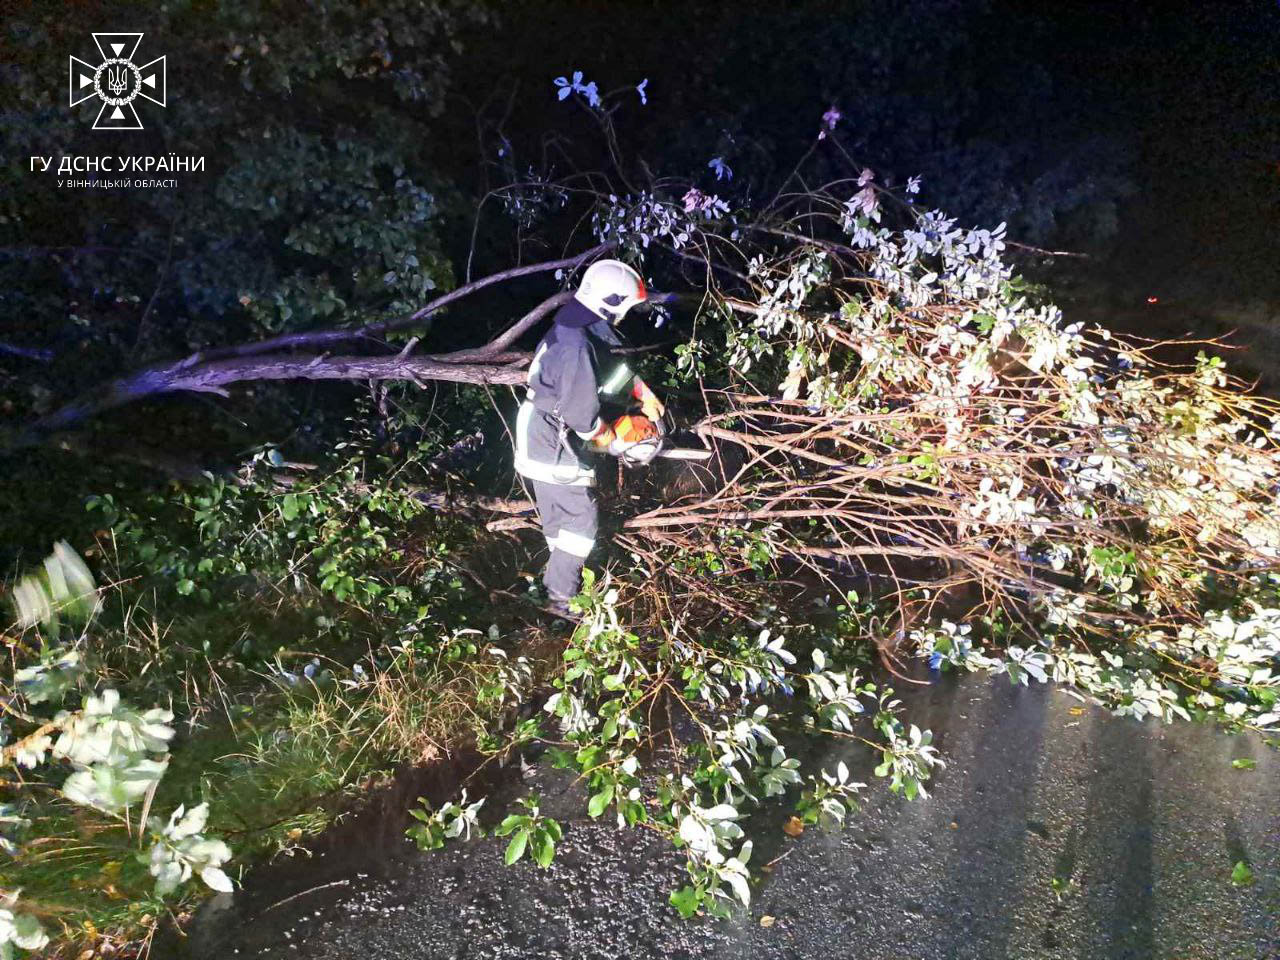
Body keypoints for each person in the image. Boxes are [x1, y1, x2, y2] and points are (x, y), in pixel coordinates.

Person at [514, 259, 666, 614]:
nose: (625, 315)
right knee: (581, 521)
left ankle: (555, 578)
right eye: (624, 308)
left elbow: (606, 369)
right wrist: (613, 441)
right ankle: (560, 601)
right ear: (608, 304)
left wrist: (641, 392)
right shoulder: (575, 347)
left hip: (539, 428)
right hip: (553, 436)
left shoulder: (575, 325)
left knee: (558, 515)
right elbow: (582, 417)